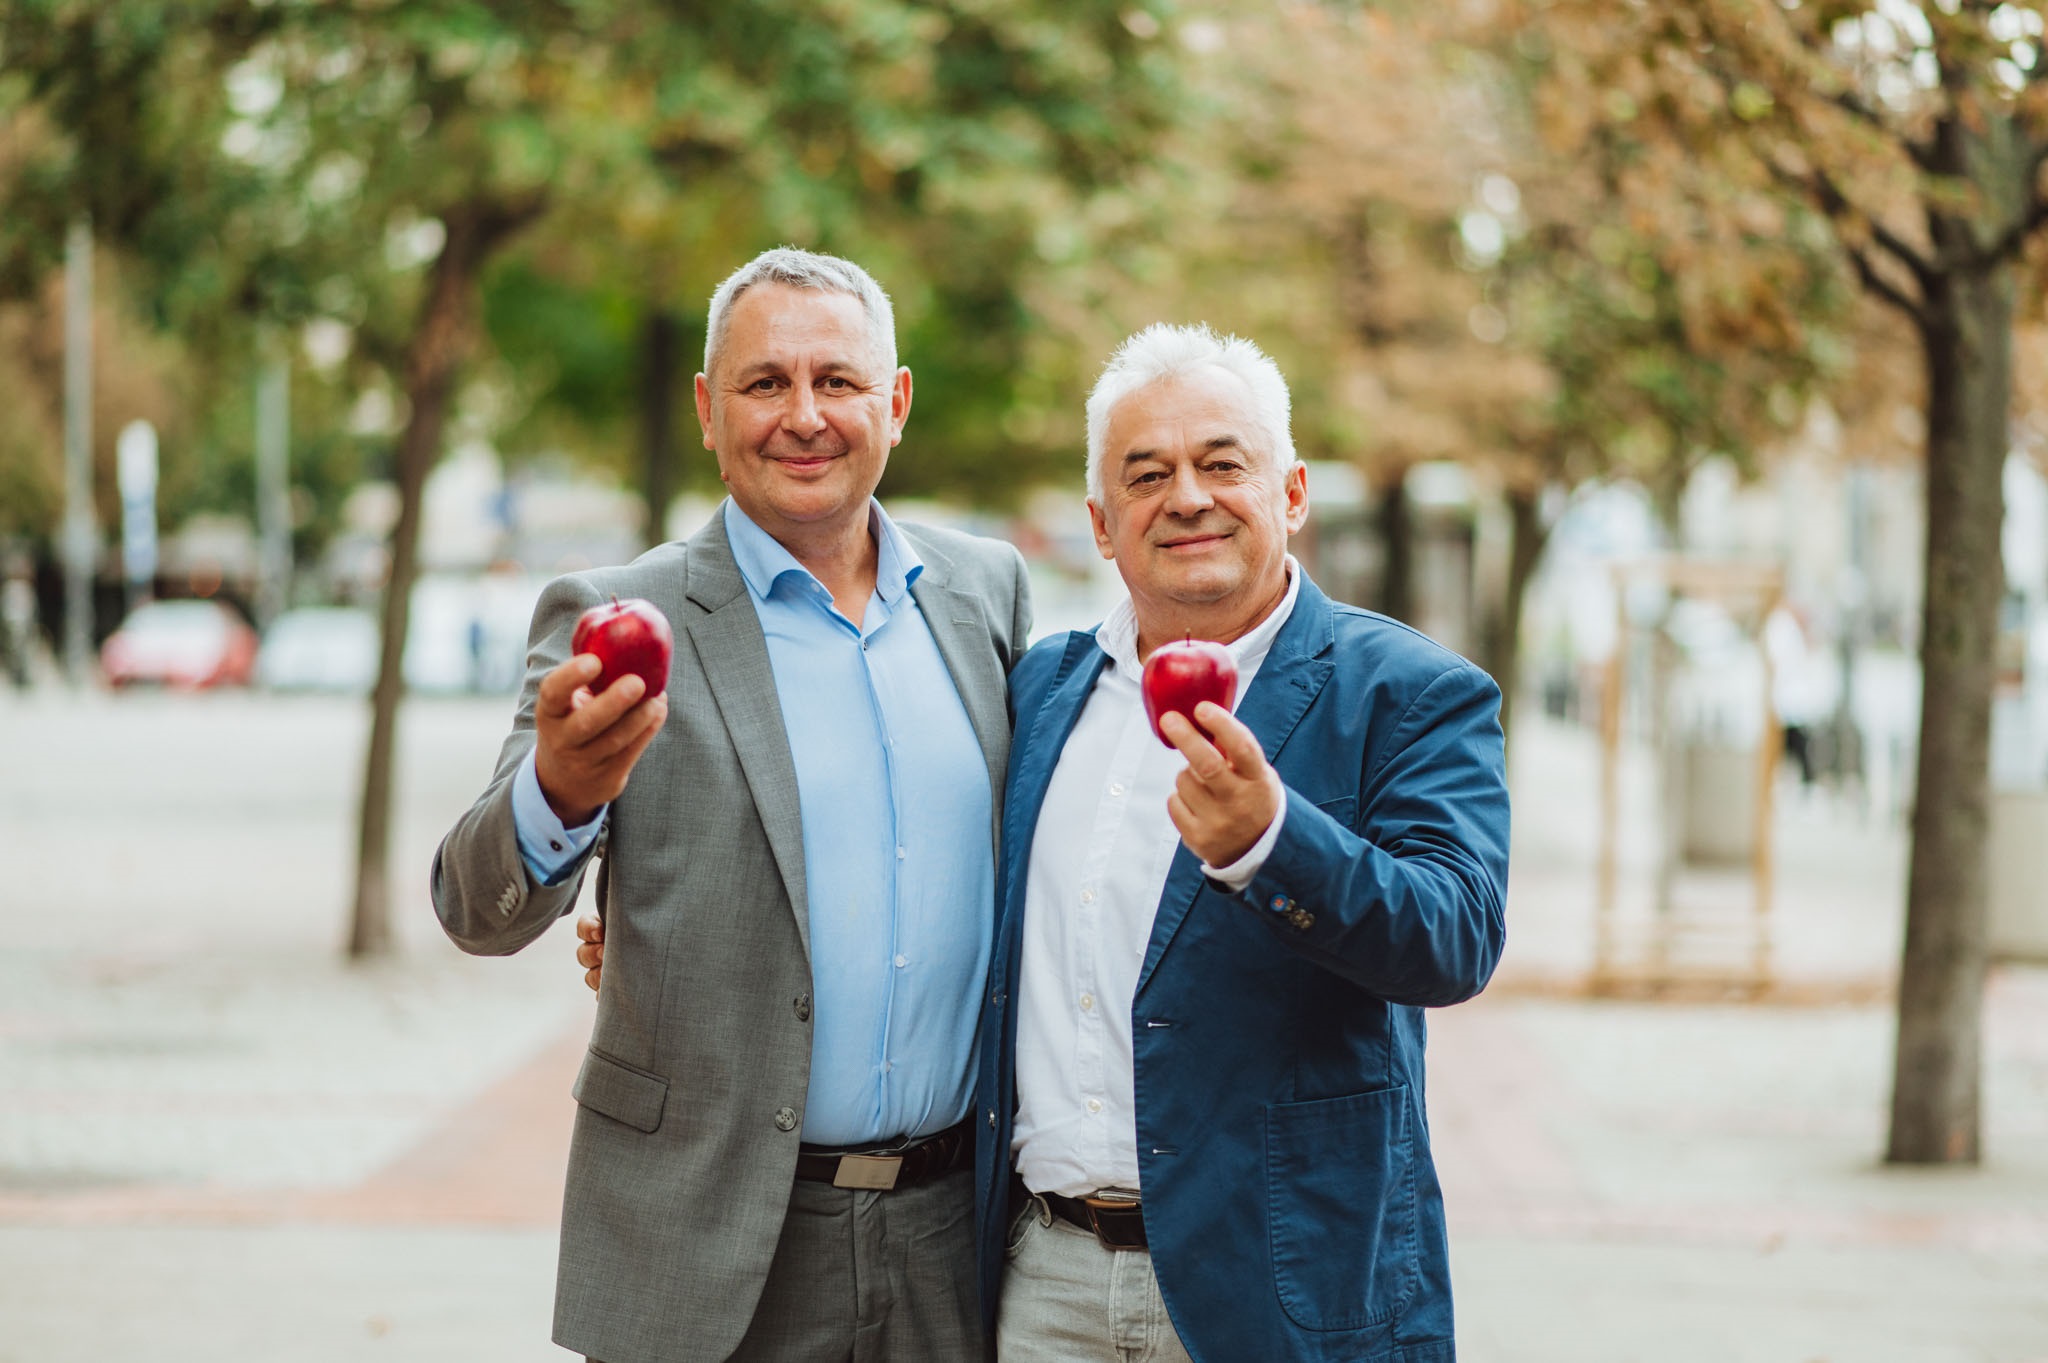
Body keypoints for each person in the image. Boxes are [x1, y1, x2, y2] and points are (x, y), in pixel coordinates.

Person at [433, 247, 1031, 1363]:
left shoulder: (984, 595)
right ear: (709, 411)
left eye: (837, 382)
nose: (802, 416)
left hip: (952, 1236)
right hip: (706, 1243)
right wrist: (559, 790)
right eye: (764, 384)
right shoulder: (617, 616)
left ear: (892, 405)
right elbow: (476, 907)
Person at [976, 323, 1509, 1361]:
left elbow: (1454, 938)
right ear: (1099, 520)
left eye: (1222, 463)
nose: (1185, 496)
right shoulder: (1040, 691)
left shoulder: (1406, 692)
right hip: (1040, 1280)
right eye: (1146, 473)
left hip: (1284, 1284)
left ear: (1291, 493)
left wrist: (1269, 841)